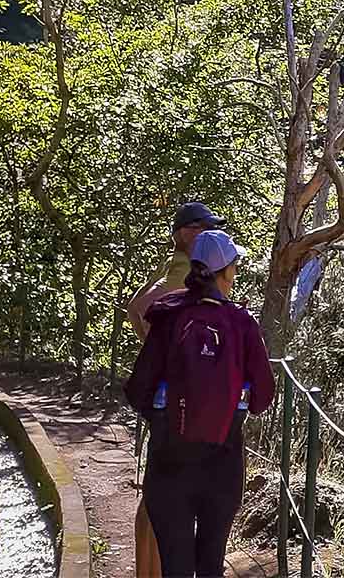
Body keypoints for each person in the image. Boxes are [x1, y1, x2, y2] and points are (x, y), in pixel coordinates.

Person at [125, 229, 274, 578]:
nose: (235, 275)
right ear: (225, 272)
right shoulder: (242, 324)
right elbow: (264, 396)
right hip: (222, 463)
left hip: (168, 459)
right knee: (210, 564)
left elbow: (136, 390)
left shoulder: (166, 315)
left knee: (175, 566)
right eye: (234, 267)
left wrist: (162, 417)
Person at [127, 202, 227, 578]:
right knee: (166, 498)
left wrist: (156, 347)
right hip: (182, 402)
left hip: (164, 397)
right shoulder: (187, 271)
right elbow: (143, 308)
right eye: (204, 227)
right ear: (185, 232)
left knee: (158, 492)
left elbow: (136, 307)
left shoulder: (174, 265)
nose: (212, 233)